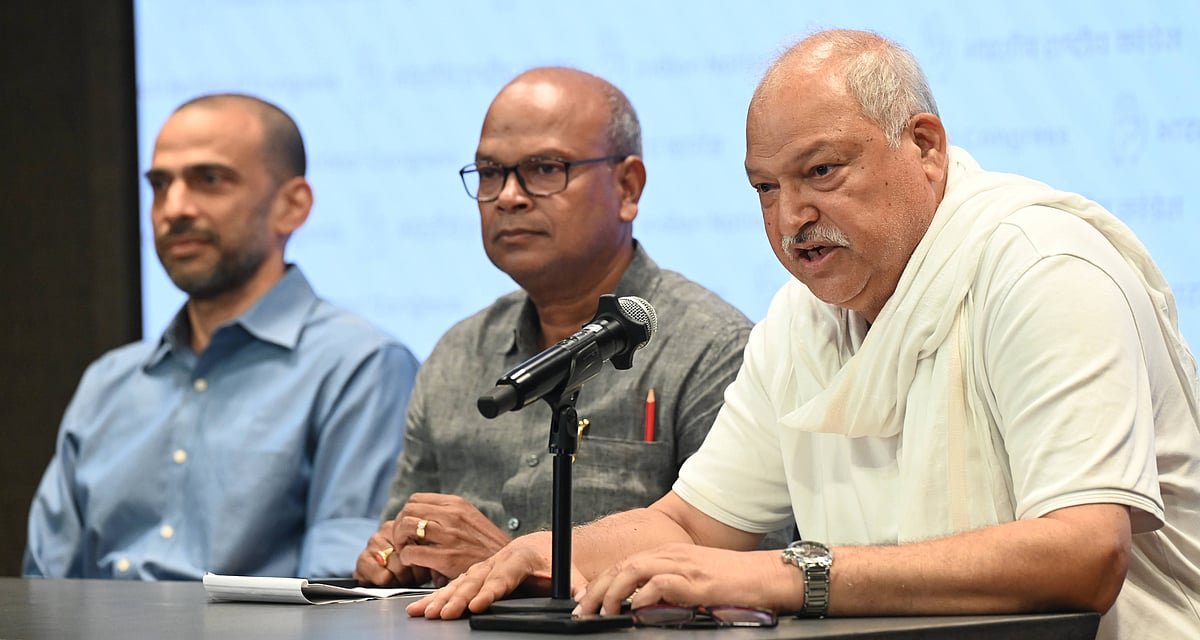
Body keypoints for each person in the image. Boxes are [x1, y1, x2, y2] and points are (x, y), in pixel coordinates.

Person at [405, 30, 1200, 639]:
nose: (790, 221)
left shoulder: (1041, 267)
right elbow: (689, 524)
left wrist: (795, 574)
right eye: (764, 188)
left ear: (923, 145)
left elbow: (1085, 555)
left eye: (821, 172)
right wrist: (555, 553)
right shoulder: (803, 314)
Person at [353, 67, 765, 587]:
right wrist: (393, 557)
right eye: (490, 173)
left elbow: (748, 571)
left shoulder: (713, 349)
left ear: (627, 187)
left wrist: (515, 566)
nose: (508, 196)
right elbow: (402, 536)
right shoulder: (458, 354)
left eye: (545, 169)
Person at [24, 94, 420, 580]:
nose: (174, 209)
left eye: (209, 180)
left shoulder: (361, 366)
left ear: (291, 206)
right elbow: (42, 587)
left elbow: (340, 594)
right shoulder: (108, 382)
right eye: (159, 184)